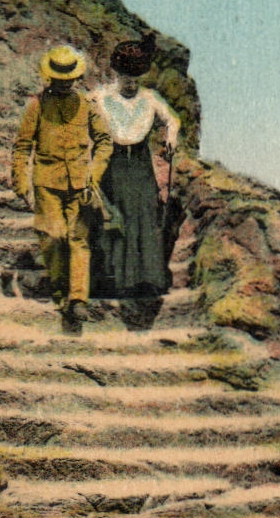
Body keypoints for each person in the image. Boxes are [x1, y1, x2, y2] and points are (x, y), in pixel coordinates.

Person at [11, 46, 112, 330]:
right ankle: (58, 288)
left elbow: (104, 141)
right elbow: (22, 146)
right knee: (53, 237)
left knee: (78, 240)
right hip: (47, 183)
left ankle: (78, 299)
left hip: (81, 185)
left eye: (69, 80)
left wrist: (95, 172)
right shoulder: (37, 107)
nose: (64, 85)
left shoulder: (86, 105)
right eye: (59, 80)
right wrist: (20, 178)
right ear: (50, 79)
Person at [89, 35, 180, 306]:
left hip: (140, 162)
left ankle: (145, 279)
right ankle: (113, 282)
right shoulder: (100, 97)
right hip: (112, 162)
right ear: (116, 73)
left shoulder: (150, 98)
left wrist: (171, 135)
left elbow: (172, 119)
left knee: (143, 214)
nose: (130, 82)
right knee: (115, 216)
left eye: (136, 77)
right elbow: (80, 116)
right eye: (126, 76)